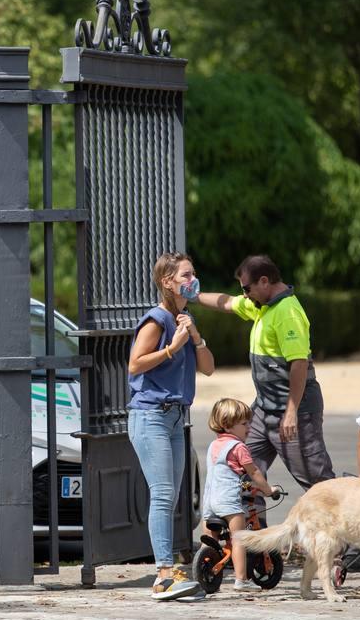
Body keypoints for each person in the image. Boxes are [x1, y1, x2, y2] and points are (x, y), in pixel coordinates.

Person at [196, 255, 335, 490]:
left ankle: (345, 523)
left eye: (247, 289)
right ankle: (253, 526)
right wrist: (191, 296)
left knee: (318, 484)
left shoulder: (286, 312)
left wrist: (291, 412)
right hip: (263, 409)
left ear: (264, 281)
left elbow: (299, 363)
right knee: (243, 469)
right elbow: (227, 303)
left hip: (294, 410)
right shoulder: (262, 305)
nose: (244, 295)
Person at [127, 251, 216, 601]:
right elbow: (135, 365)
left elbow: (208, 367)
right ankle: (164, 575)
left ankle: (170, 571)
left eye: (193, 273)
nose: (192, 280)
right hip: (151, 415)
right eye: (186, 275)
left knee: (172, 496)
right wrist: (171, 348)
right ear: (167, 281)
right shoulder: (156, 321)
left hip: (176, 416)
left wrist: (193, 335)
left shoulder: (183, 318)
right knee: (163, 495)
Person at [201, 397, 280, 591]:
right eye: (245, 423)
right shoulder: (238, 447)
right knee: (239, 539)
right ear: (228, 426)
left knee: (209, 542)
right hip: (228, 501)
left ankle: (203, 571)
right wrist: (268, 490)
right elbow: (253, 472)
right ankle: (241, 580)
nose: (250, 427)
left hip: (209, 500)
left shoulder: (214, 446)